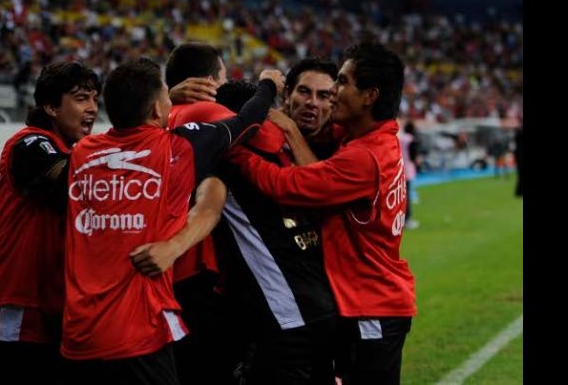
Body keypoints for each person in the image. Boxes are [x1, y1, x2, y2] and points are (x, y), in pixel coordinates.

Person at [60, 59, 284, 385]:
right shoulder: (178, 149)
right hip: (138, 334)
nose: (171, 103)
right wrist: (268, 84)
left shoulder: (82, 152)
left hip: (79, 335)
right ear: (154, 109)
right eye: (167, 97)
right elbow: (247, 124)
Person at [230, 42, 417, 385]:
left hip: (370, 306)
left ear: (369, 96)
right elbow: (320, 132)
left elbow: (285, 184)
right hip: (366, 302)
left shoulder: (363, 158)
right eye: (305, 92)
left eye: (343, 82)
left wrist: (235, 151)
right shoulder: (370, 138)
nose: (333, 92)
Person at [0, 61, 100, 384]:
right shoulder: (29, 143)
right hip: (15, 311)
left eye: (95, 99)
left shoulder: (67, 150)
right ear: (51, 106)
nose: (93, 109)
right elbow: (66, 186)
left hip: (53, 312)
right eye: (82, 98)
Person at [399, 120, 420, 230]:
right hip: (408, 169)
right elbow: (413, 156)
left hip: (399, 167)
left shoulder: (400, 138)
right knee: (407, 196)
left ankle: (401, 218)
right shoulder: (411, 140)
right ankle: (407, 219)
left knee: (401, 196)